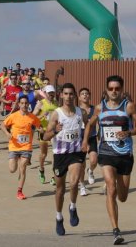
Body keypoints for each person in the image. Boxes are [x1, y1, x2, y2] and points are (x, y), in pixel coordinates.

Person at [82, 75, 136, 245]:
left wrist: (129, 132)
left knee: (123, 196)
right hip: (106, 153)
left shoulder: (128, 106)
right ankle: (116, 230)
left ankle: (119, 188)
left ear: (122, 90)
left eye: (117, 88)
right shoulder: (99, 108)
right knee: (110, 188)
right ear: (106, 89)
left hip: (125, 155)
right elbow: (90, 124)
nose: (114, 91)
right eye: (110, 88)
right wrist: (84, 142)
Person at [43, 83, 87, 236]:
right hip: (60, 154)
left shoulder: (81, 112)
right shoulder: (56, 114)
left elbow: (87, 128)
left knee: (74, 182)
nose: (68, 97)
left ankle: (73, 207)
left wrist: (86, 141)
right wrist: (55, 130)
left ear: (75, 96)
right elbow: (45, 136)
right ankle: (59, 217)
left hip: (75, 153)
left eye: (71, 94)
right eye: (66, 94)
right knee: (60, 190)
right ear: (61, 95)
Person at [1, 95, 42, 200]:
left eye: (26, 103)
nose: (24, 105)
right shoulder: (13, 116)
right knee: (12, 169)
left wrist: (43, 130)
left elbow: (40, 126)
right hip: (14, 146)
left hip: (26, 146)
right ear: (19, 104)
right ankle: (17, 159)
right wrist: (7, 134)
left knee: (22, 167)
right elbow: (3, 125)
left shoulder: (32, 117)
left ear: (28, 104)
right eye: (22, 103)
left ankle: (20, 191)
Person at [33, 85, 58, 185]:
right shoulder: (40, 103)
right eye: (49, 93)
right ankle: (41, 170)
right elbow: (33, 117)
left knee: (55, 154)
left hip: (54, 131)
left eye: (53, 93)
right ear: (45, 93)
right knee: (44, 154)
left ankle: (54, 176)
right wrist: (41, 116)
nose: (51, 95)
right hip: (43, 131)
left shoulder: (57, 103)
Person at [77, 87, 98, 196]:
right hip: (80, 138)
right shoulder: (76, 110)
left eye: (86, 93)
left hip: (92, 137)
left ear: (89, 96)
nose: (85, 95)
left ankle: (90, 171)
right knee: (81, 164)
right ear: (79, 97)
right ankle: (82, 185)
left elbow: (100, 122)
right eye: (82, 94)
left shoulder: (95, 109)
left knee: (94, 160)